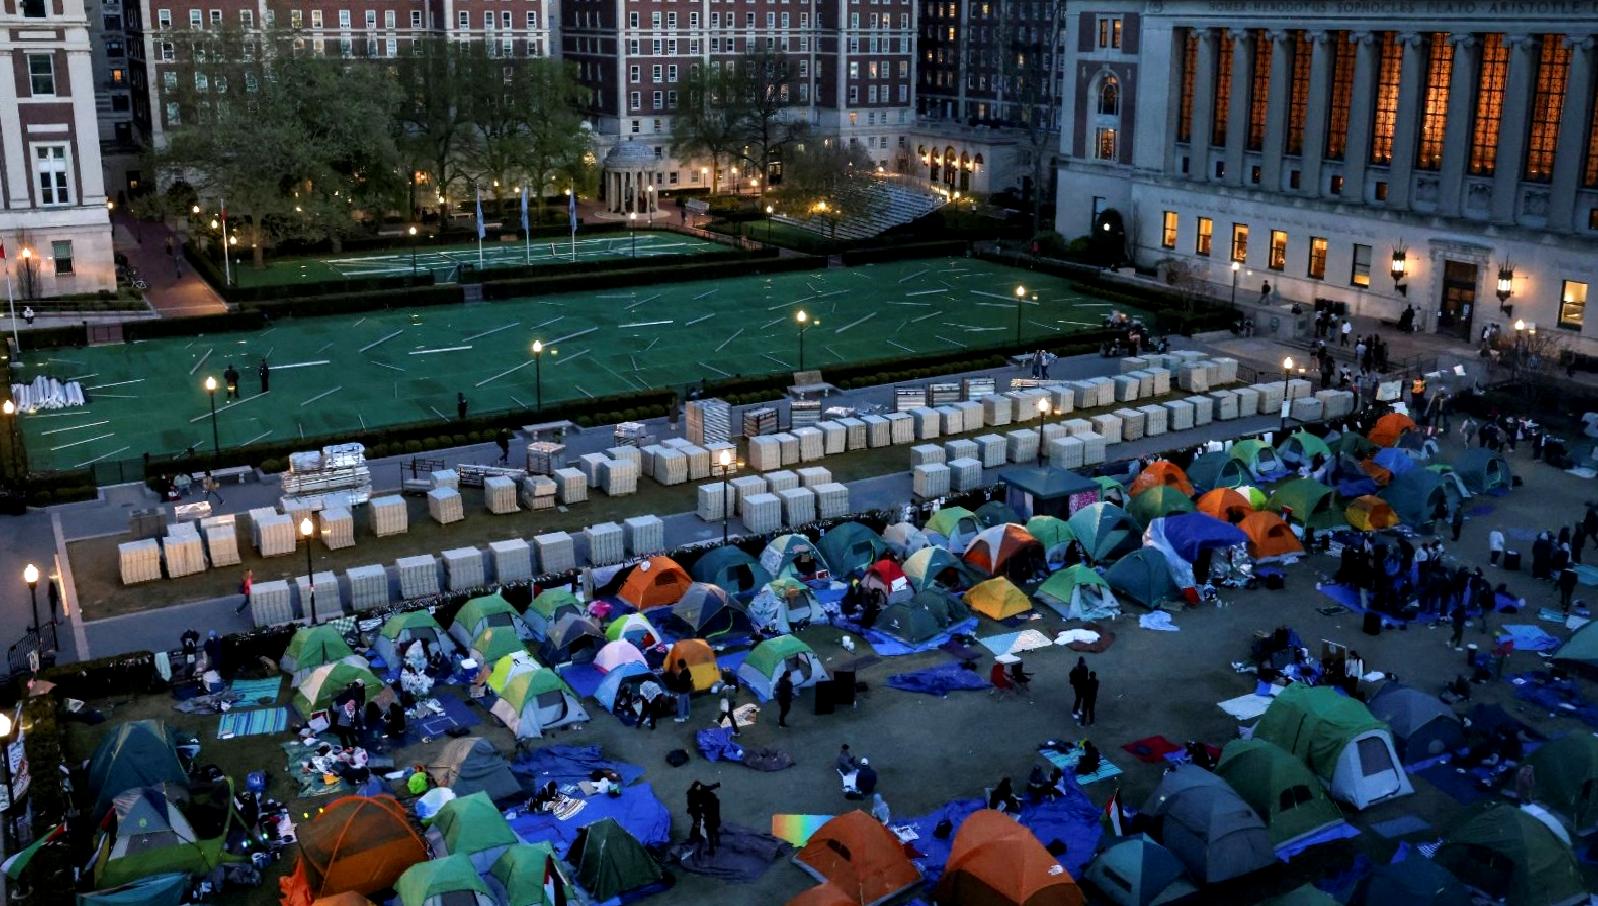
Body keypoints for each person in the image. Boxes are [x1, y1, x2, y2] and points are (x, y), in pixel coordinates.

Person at [671, 659, 693, 723]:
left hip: (682, 691)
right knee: (686, 703)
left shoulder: (683, 673)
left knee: (681, 704)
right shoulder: (687, 671)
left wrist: (677, 677)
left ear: (680, 665)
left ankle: (681, 717)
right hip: (687, 690)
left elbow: (680, 683)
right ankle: (687, 714)